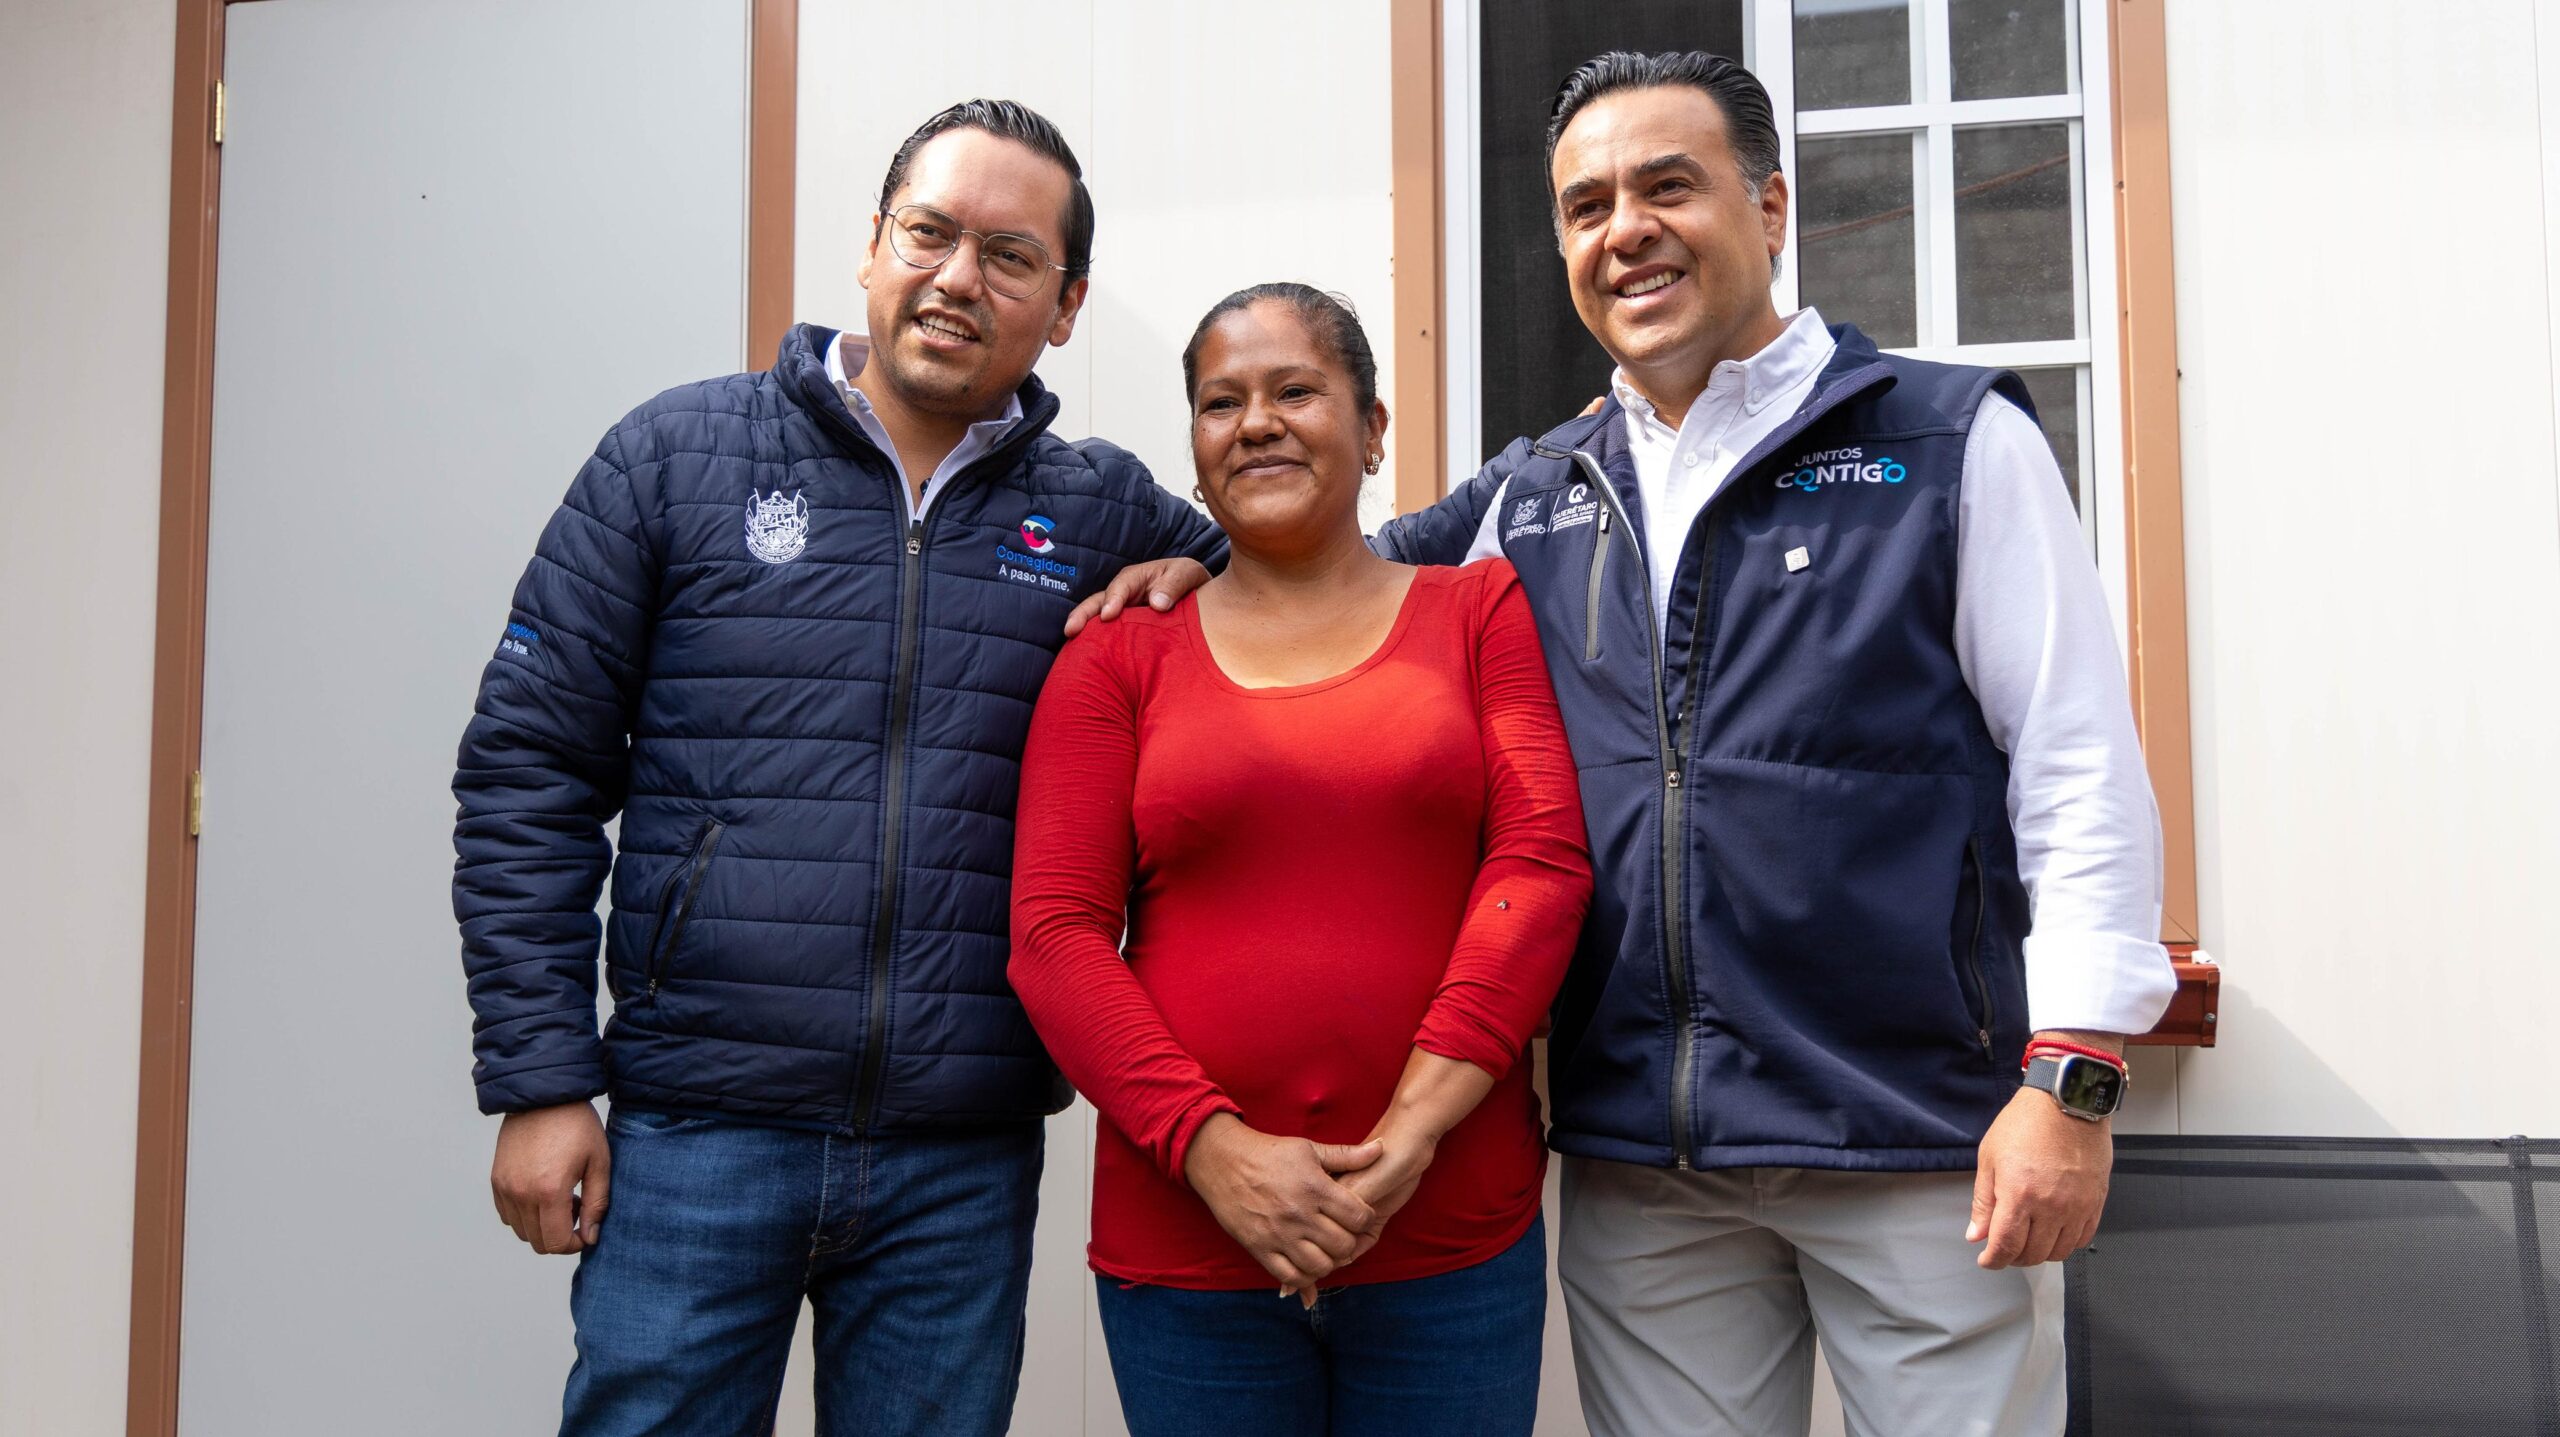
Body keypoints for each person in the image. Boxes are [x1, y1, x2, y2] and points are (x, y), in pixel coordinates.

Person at [1082, 52, 2176, 1437]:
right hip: (1641, 1159)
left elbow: (2076, 766)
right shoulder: (1534, 494)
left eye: (1670, 186)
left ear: (1772, 208)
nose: (1626, 229)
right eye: (1588, 204)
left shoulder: (1948, 442)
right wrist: (1183, 565)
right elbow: (1327, 575)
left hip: (1913, 1136)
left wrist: (2069, 1080)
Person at [451, 99, 1220, 1437]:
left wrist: (1206, 573)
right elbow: (530, 769)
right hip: (696, 1131)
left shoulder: (1101, 510)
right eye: (929, 232)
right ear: (871, 247)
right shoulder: (674, 459)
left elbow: (1318, 579)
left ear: (1067, 302)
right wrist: (538, 1077)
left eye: (1010, 254)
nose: (958, 277)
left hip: (958, 1156)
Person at [1007, 283, 1593, 1437]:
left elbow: (1541, 862)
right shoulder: (1120, 655)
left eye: (1295, 391)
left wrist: (1411, 1135)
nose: (1256, 422)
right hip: (1190, 1247)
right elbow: (1054, 937)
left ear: (1373, 429)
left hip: (1446, 1236)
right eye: (1221, 402)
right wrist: (1212, 1152)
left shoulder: (1476, 611)